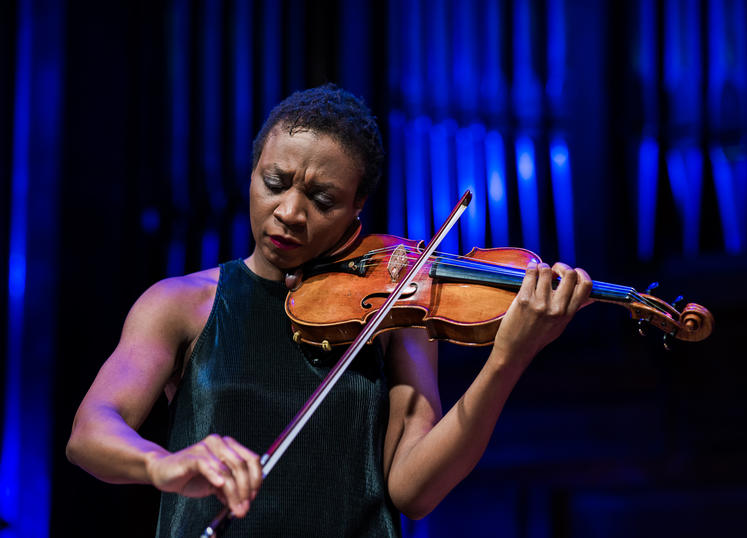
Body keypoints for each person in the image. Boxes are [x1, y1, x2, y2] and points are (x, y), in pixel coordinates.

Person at [66, 84, 593, 537]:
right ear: (252, 173)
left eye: (322, 199)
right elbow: (91, 431)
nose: (290, 212)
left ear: (356, 208)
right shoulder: (182, 303)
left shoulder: (394, 315)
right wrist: (164, 464)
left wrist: (507, 360)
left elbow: (414, 490)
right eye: (275, 183)